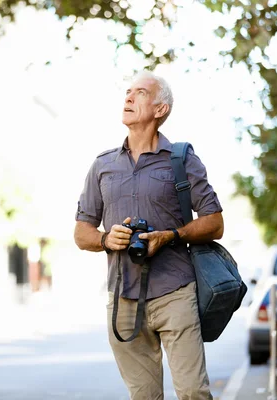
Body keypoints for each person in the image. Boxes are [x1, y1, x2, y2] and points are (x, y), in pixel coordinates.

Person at [74, 71, 224, 400]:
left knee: (193, 393)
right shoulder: (102, 165)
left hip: (175, 292)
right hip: (123, 298)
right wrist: (105, 240)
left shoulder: (182, 160)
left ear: (160, 109)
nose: (128, 97)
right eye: (127, 92)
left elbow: (215, 223)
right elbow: (81, 232)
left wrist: (171, 235)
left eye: (139, 93)